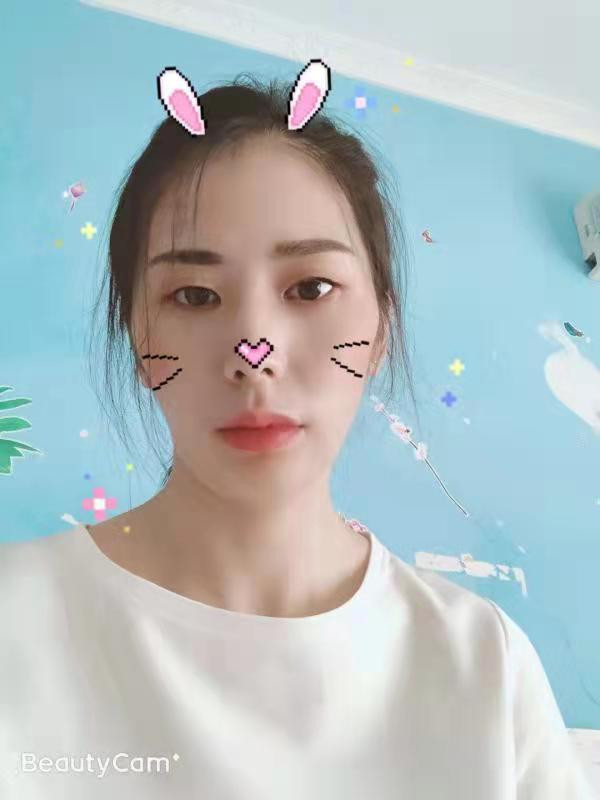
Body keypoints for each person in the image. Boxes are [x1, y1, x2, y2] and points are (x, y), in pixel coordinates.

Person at [0, 60, 593, 799]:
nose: (255, 351)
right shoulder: (14, 619)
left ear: (381, 330)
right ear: (138, 336)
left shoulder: (486, 669)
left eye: (311, 288)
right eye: (194, 295)